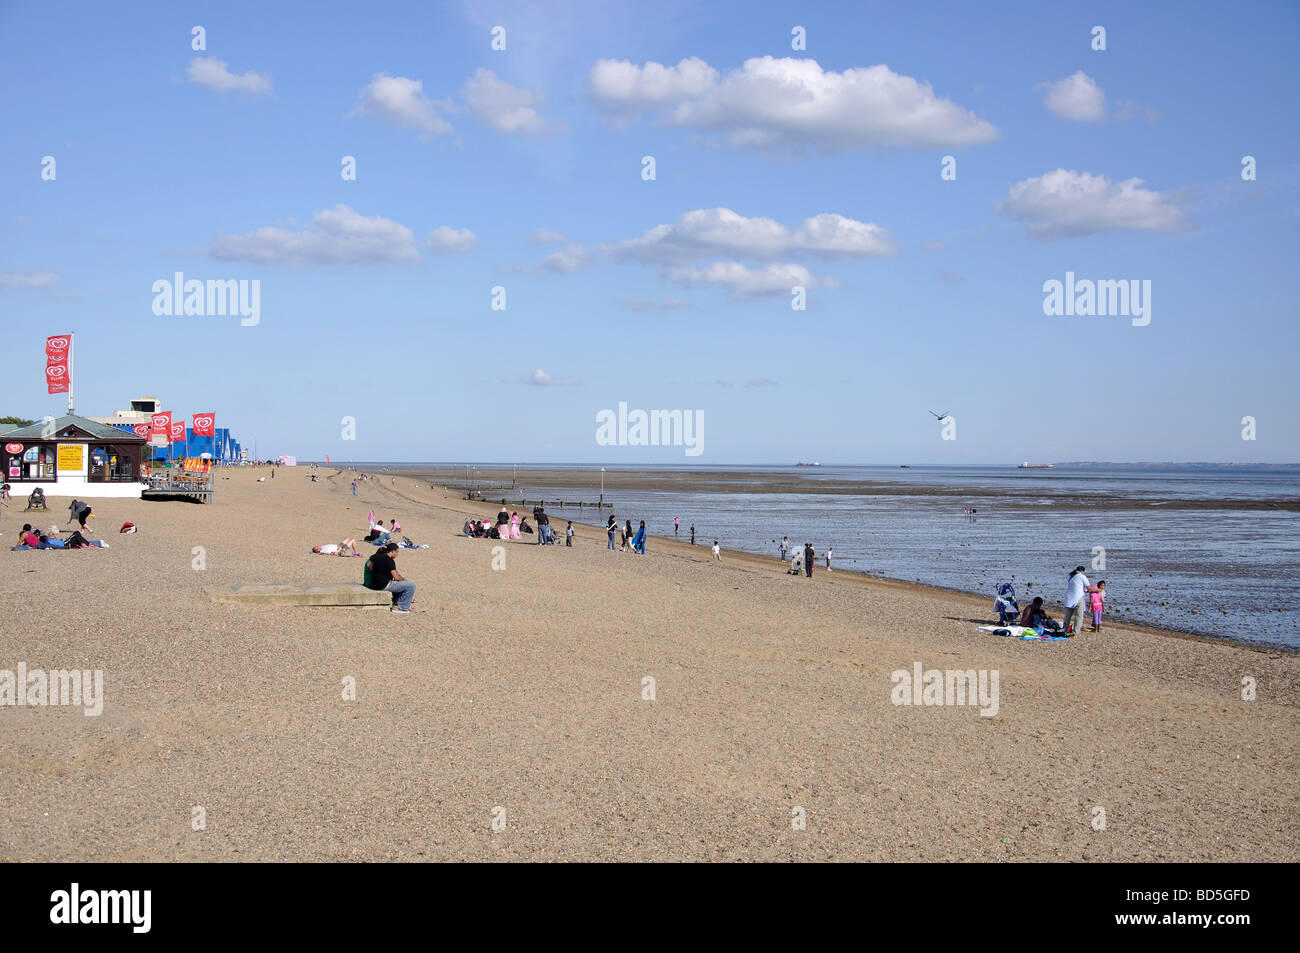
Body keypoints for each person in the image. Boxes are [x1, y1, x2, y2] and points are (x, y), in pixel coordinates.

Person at [366, 542, 415, 613]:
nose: (397, 554)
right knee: (411, 585)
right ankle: (401, 608)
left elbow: (369, 565)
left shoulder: (377, 557)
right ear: (393, 551)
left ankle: (396, 603)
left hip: (374, 584)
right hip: (384, 585)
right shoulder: (390, 560)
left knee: (399, 584)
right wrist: (403, 580)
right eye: (397, 552)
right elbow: (395, 577)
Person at [1062, 566, 1091, 634]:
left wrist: (1085, 590)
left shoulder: (1071, 576)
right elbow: (1089, 587)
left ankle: (1065, 629)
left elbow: (1076, 586)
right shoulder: (1082, 576)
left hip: (1069, 597)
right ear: (1082, 571)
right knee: (1079, 616)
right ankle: (1075, 632)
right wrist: (1098, 590)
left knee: (1068, 615)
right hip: (1078, 598)